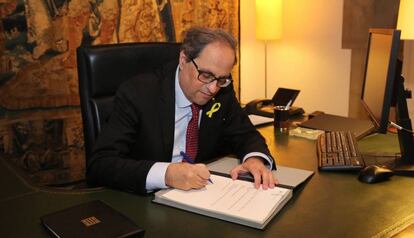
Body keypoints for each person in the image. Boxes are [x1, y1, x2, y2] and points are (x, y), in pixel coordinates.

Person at [86, 27, 277, 194]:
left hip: (202, 196)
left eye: (221, 79)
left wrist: (254, 159)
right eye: (206, 75)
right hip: (144, 200)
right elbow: (100, 164)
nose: (213, 89)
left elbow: (244, 133)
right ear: (184, 58)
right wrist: (166, 174)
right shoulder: (137, 94)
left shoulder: (222, 89)